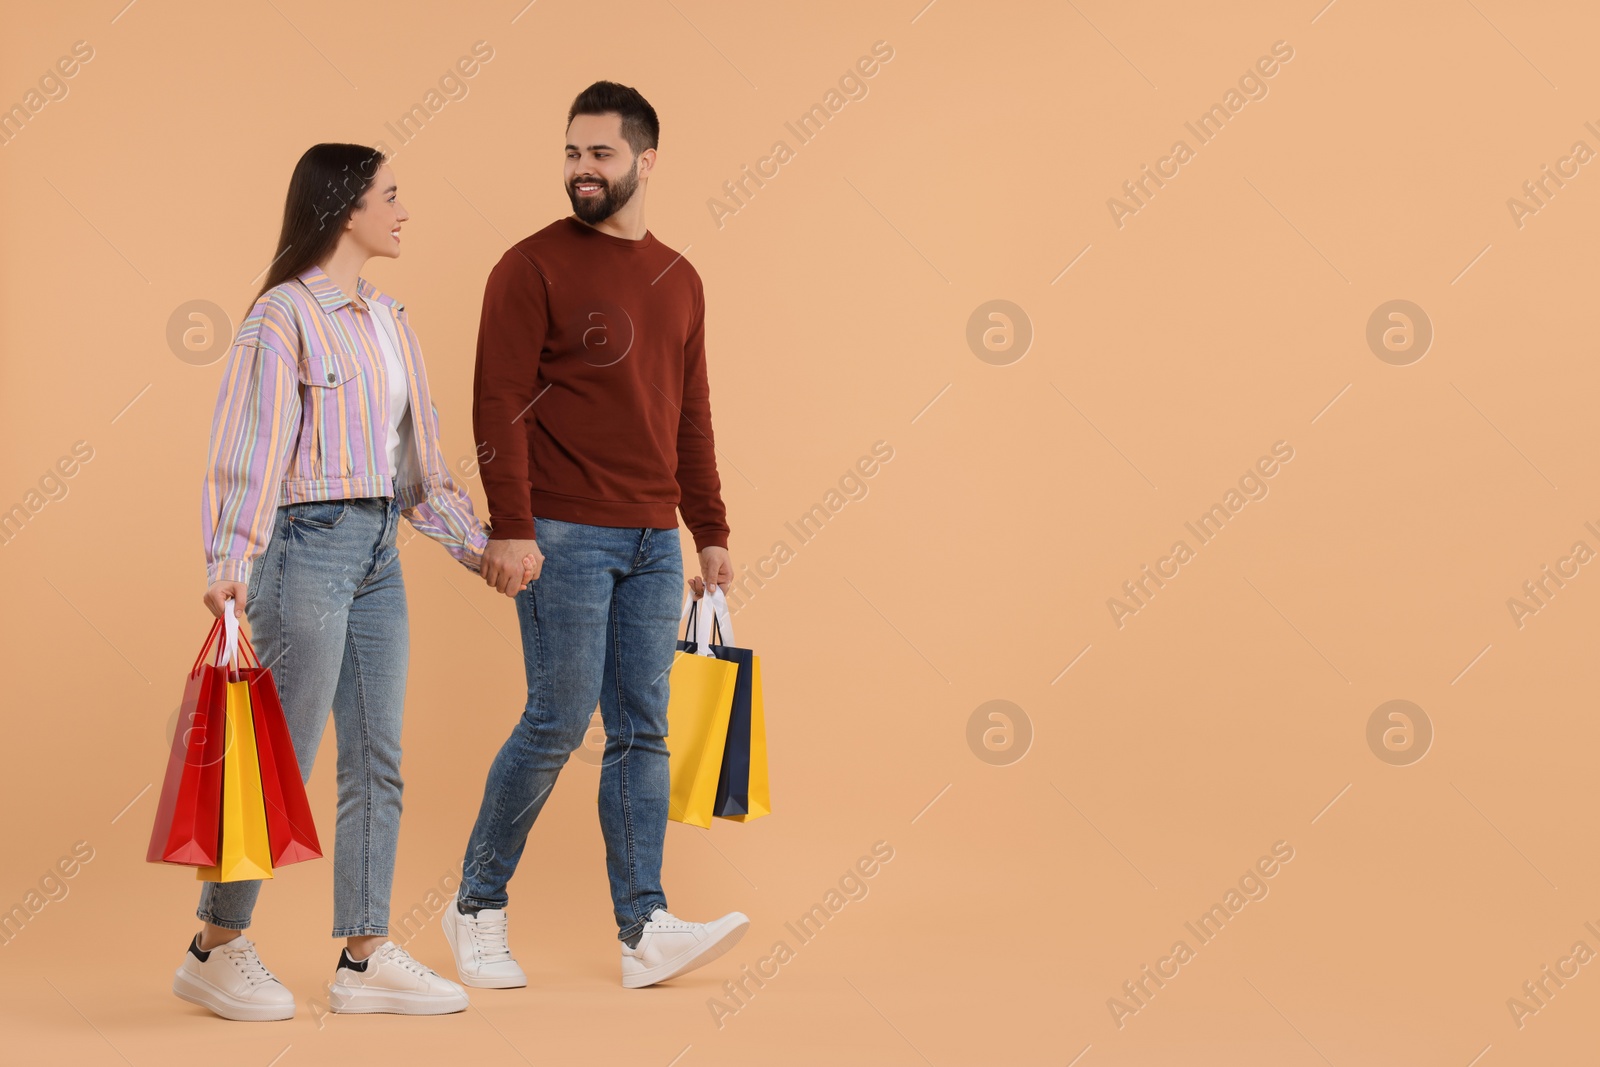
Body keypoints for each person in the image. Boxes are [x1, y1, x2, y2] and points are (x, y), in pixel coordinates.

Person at [177, 143, 531, 1021]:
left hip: (377, 552)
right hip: (305, 547)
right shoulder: (282, 318)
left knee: (378, 755)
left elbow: (416, 470)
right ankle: (214, 947)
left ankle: (363, 954)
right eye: (391, 196)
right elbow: (248, 447)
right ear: (345, 207)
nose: (404, 213)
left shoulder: (388, 319)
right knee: (279, 759)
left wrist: (478, 545)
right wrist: (229, 561)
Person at [442, 81, 748, 990]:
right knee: (555, 718)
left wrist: (711, 529)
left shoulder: (680, 278)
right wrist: (513, 524)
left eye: (600, 155)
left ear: (645, 161)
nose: (582, 170)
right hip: (564, 532)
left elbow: (689, 412)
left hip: (656, 538)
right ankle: (476, 906)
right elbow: (496, 401)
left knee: (643, 730)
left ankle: (644, 927)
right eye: (572, 154)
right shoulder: (529, 266)